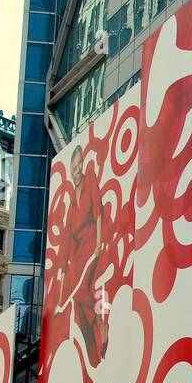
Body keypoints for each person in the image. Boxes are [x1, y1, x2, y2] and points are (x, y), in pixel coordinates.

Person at [56, 144, 109, 368]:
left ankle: (100, 322)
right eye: (74, 168)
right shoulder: (70, 205)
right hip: (78, 255)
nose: (77, 171)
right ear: (70, 172)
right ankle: (94, 354)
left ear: (83, 165)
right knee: (77, 303)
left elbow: (97, 211)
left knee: (80, 294)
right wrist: (59, 292)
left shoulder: (90, 181)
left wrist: (98, 242)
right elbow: (66, 244)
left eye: (79, 166)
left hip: (92, 243)